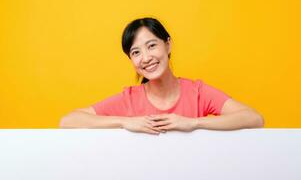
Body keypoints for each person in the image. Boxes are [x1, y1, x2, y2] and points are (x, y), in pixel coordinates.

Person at [60, 17, 264, 134]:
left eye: (151, 46)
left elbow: (254, 118)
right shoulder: (129, 99)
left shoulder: (197, 92)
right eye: (136, 52)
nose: (146, 57)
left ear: (168, 45)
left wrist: (193, 123)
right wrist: (124, 122)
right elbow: (68, 121)